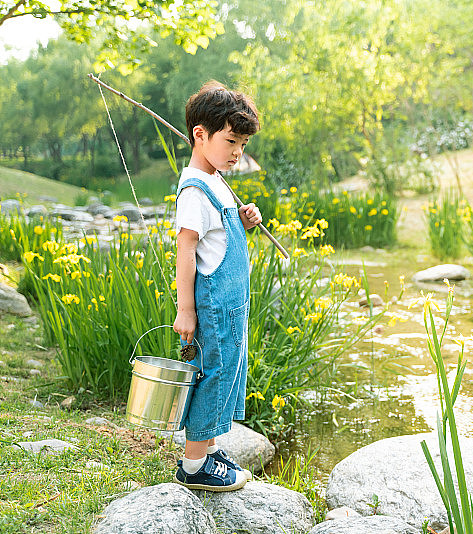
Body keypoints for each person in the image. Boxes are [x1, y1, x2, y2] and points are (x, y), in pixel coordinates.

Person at [171, 81, 262, 491]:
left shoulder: (216, 181)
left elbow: (216, 238)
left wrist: (240, 222)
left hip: (232, 306)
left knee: (227, 373)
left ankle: (206, 448)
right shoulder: (195, 190)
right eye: (231, 140)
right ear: (200, 135)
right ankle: (194, 467)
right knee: (213, 375)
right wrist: (185, 309)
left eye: (242, 143)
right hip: (212, 307)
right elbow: (187, 250)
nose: (237, 152)